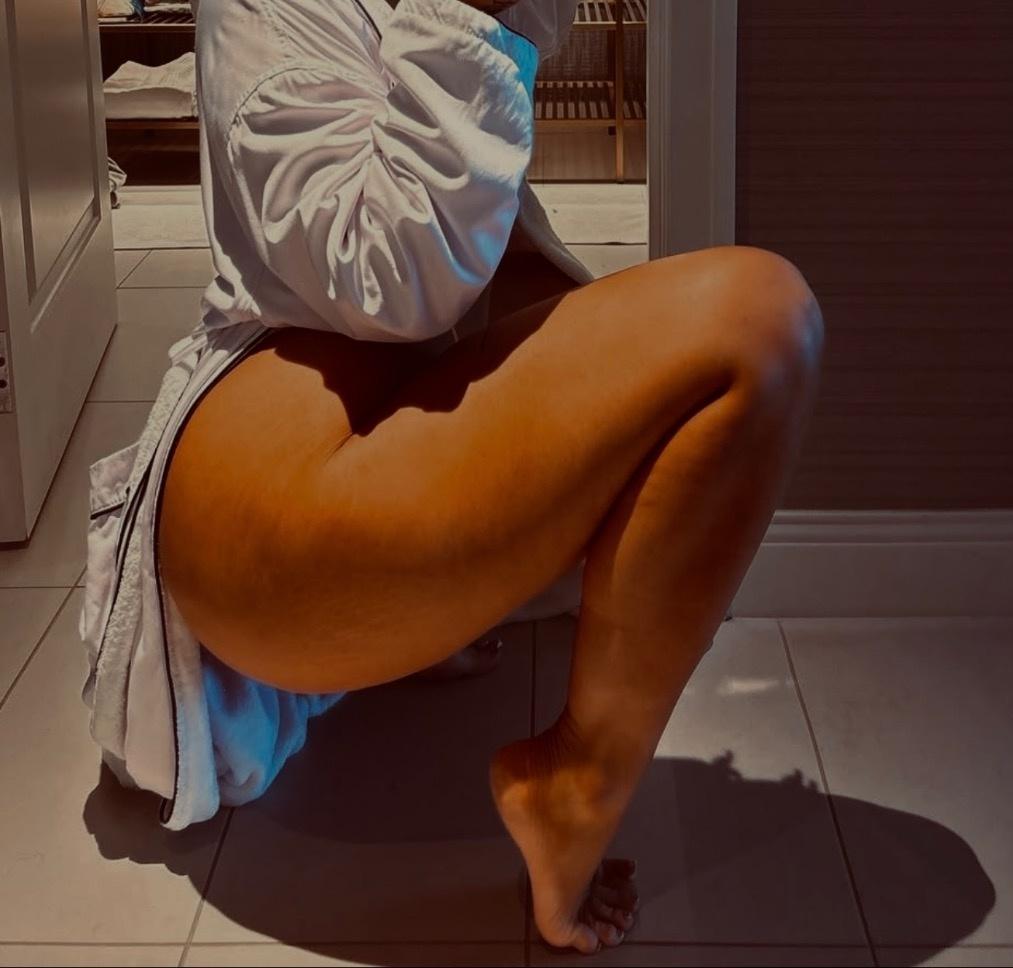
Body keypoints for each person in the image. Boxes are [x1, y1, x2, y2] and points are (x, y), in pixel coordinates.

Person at [134, 0, 824, 955]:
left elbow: (480, 248)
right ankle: (578, 785)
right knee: (760, 320)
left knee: (659, 345)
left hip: (312, 486)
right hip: (264, 526)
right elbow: (391, 281)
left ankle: (416, 636)